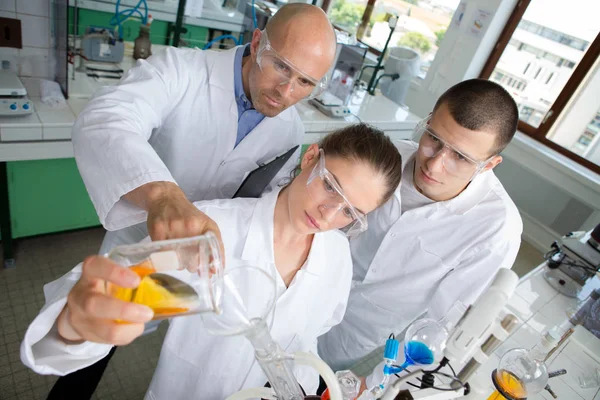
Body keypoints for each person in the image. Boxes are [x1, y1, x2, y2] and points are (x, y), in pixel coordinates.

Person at [57, 5, 337, 398]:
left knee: (187, 352)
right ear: (257, 43)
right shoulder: (181, 69)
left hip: (204, 258)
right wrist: (161, 195)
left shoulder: (290, 130)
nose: (286, 92)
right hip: (142, 242)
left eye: (306, 82)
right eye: (281, 67)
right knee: (98, 336)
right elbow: (106, 117)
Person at [21, 125, 403, 399]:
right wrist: (74, 324)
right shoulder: (211, 230)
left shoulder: (336, 258)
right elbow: (119, 296)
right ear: (310, 157)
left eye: (350, 212)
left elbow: (307, 341)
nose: (328, 213)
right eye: (330, 186)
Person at [317, 79, 524, 382]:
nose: (435, 164)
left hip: (357, 332)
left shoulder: (495, 230)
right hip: (306, 287)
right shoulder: (388, 158)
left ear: (489, 164)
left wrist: (377, 384)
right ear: (428, 120)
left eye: (461, 157)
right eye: (433, 138)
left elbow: (442, 326)